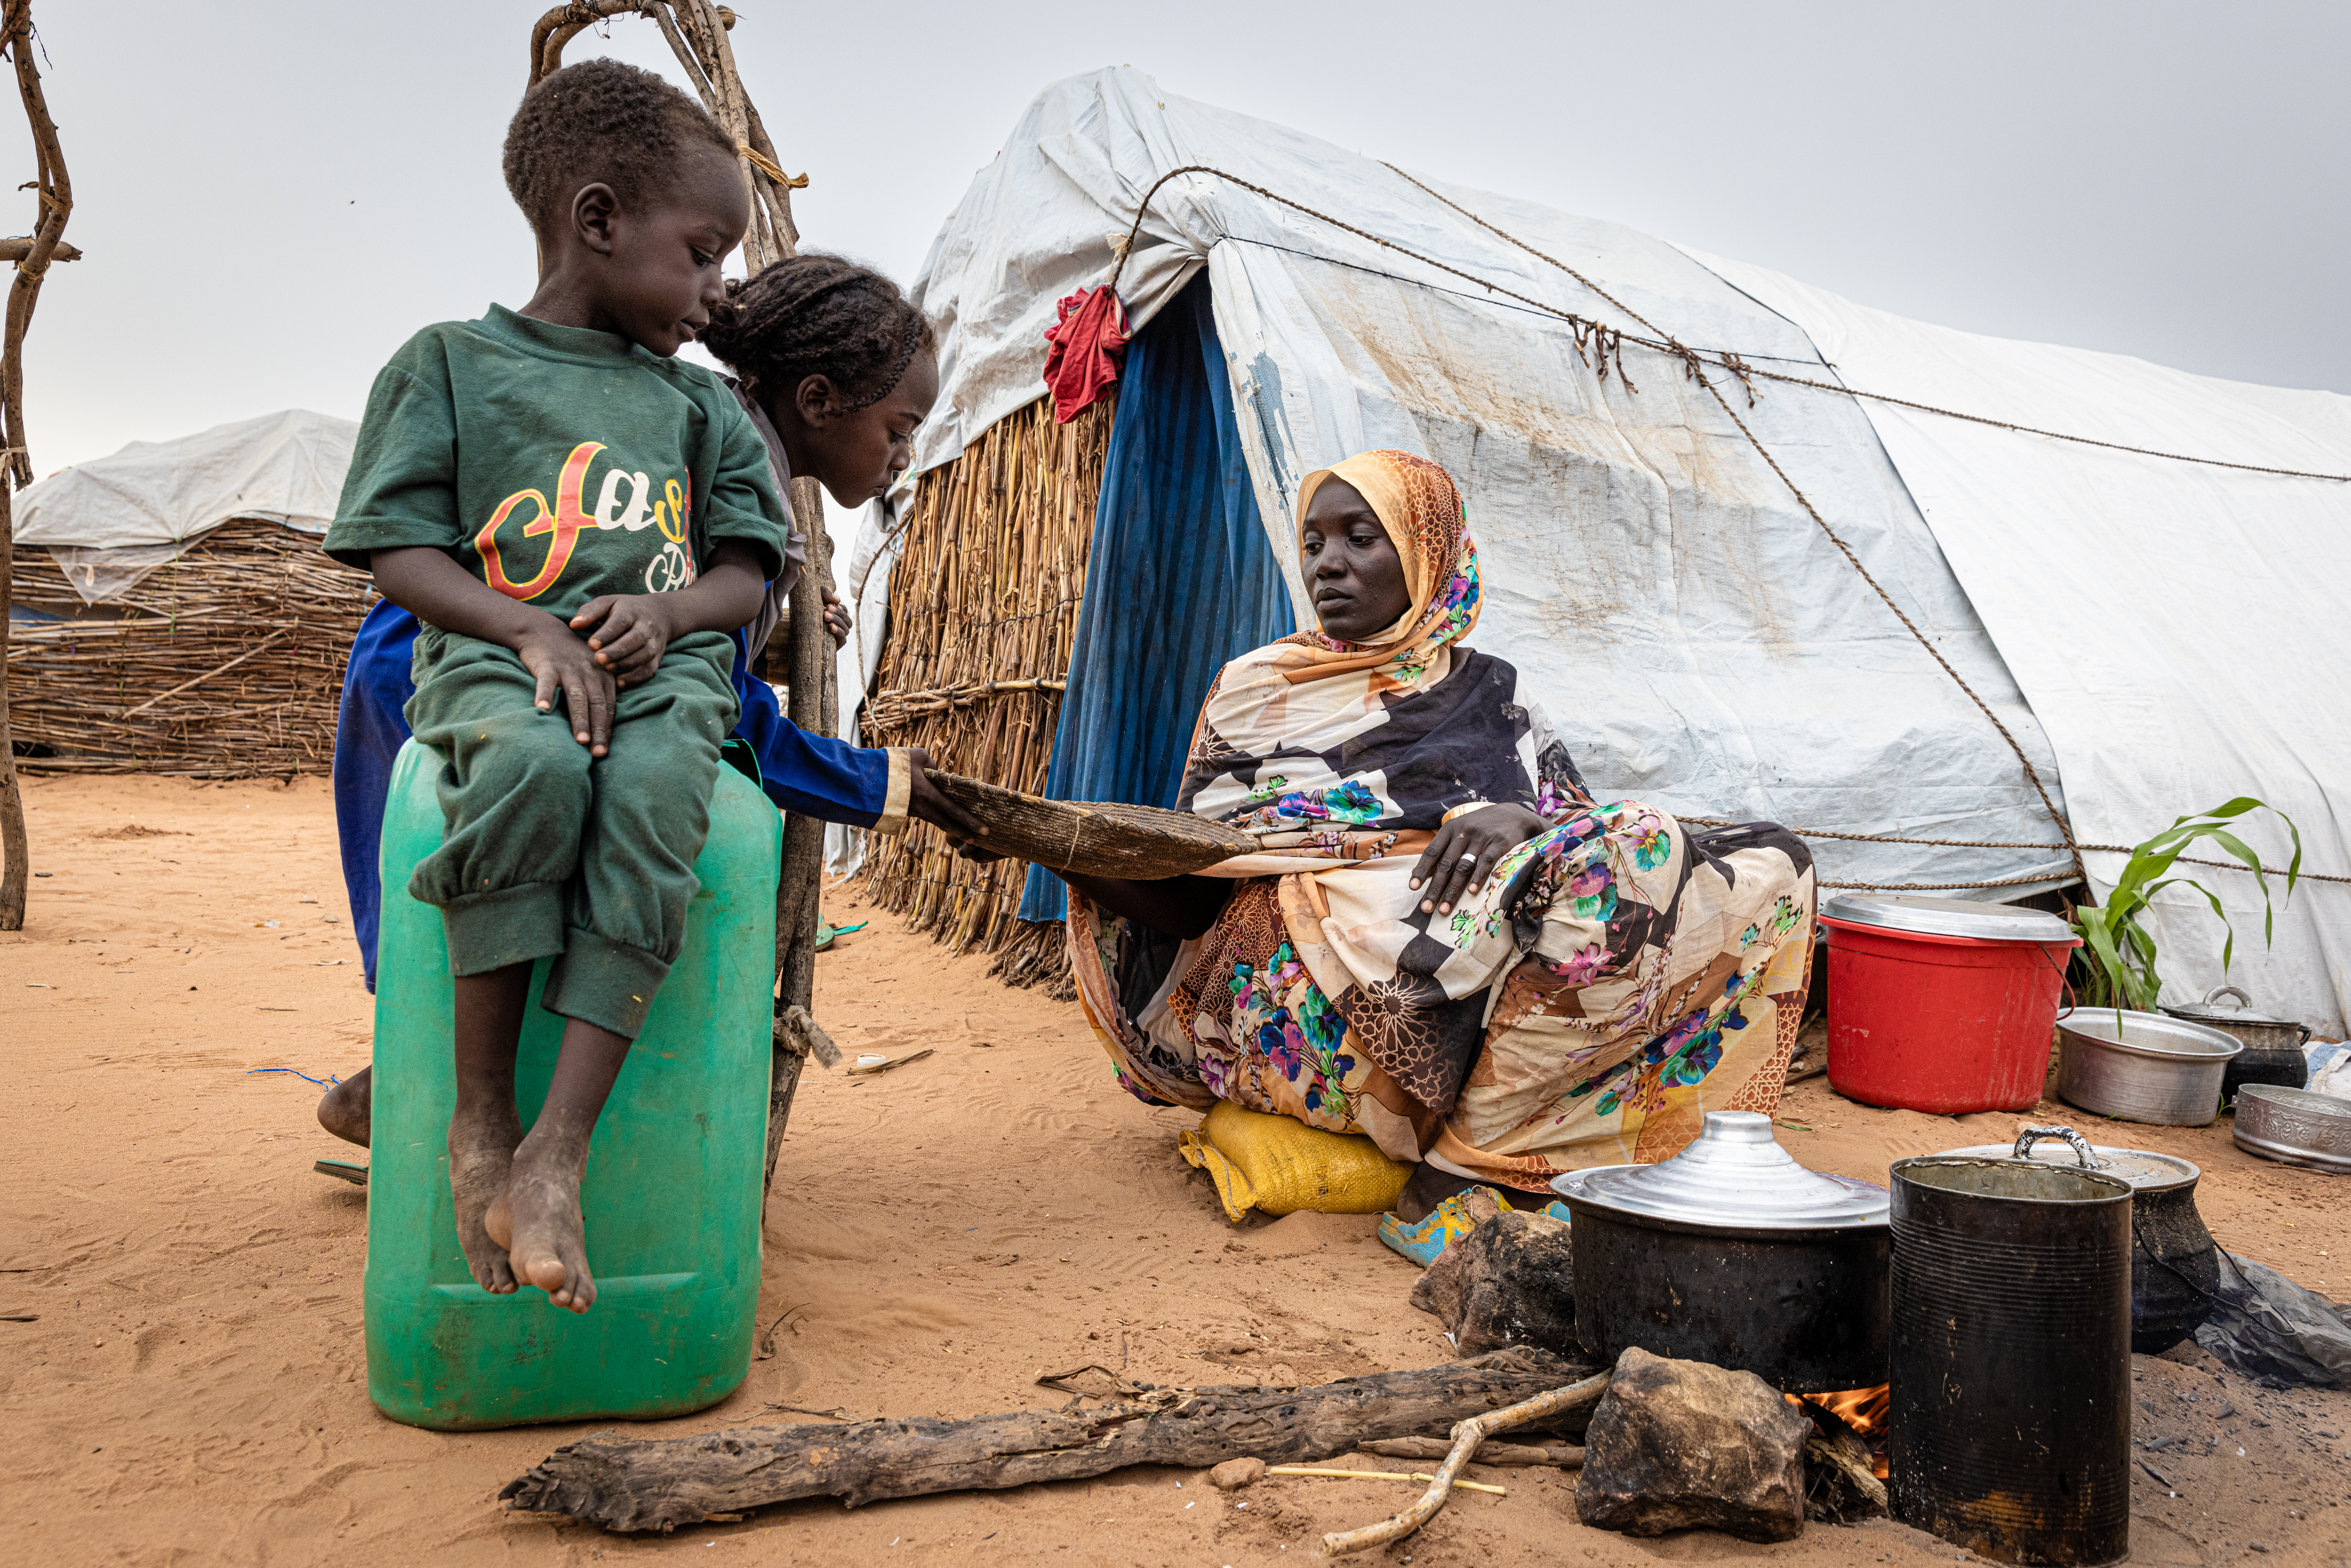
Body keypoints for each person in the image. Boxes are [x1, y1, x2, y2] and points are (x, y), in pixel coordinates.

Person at [319, 61, 975, 1312]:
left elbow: (713, 620)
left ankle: (510, 1132)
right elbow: (739, 714)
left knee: (627, 795)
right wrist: (878, 783)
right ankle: (451, 1111)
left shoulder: (704, 430)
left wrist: (715, 609)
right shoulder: (495, 376)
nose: (899, 455)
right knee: (503, 807)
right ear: (603, 220)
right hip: (438, 669)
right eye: (895, 429)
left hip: (596, 674)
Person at [1048, 449, 1816, 1221]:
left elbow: (1595, 850)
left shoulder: (1495, 694)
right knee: (1639, 841)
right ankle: (1457, 1174)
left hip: (1491, 991)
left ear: (1428, 550)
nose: (1328, 566)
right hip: (1318, 1014)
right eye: (1313, 544)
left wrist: (1523, 822)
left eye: (1359, 538)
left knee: (1769, 860)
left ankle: (1488, 1140)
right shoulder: (1257, 692)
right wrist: (1049, 848)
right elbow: (1191, 899)